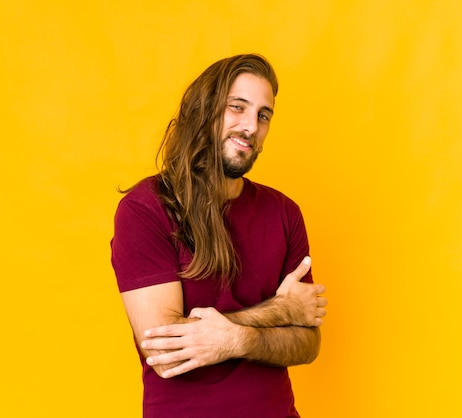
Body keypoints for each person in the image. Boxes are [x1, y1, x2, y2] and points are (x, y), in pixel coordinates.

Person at [111, 53, 327, 418]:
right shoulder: (145, 209)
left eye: (263, 115)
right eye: (237, 107)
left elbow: (308, 342)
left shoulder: (284, 213)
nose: (250, 127)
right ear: (205, 110)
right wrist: (280, 311)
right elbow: (165, 348)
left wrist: (235, 337)